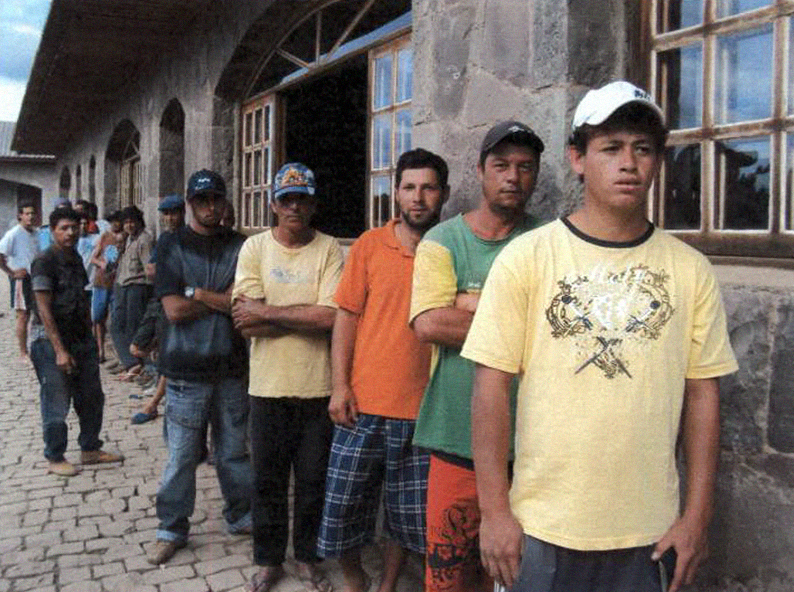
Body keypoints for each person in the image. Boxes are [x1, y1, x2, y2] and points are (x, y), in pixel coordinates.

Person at [462, 81, 739, 592]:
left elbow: (703, 396)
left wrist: (696, 517)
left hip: (648, 533)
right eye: (611, 148)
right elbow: (490, 388)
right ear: (577, 158)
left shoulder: (690, 270)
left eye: (643, 149)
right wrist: (495, 511)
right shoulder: (527, 258)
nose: (628, 164)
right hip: (540, 527)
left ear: (658, 161)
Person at [409, 121, 544, 592]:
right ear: (482, 171)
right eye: (501, 165)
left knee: (511, 577)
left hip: (530, 448)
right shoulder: (443, 241)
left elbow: (555, 327)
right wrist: (518, 316)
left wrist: (468, 302)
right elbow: (429, 324)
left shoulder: (548, 241)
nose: (513, 176)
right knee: (447, 574)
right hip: (455, 437)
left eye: (525, 167)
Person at [317, 149, 449, 592]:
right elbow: (346, 317)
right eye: (409, 187)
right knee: (343, 507)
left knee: (406, 517)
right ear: (395, 192)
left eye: (428, 188)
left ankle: (388, 584)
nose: (418, 197)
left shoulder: (449, 248)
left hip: (423, 413)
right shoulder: (370, 245)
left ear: (444, 194)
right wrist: (340, 386)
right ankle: (355, 580)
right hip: (363, 405)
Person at [233, 162, 343, 592]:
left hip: (318, 388)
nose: (294, 207)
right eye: (286, 199)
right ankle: (268, 561)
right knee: (268, 482)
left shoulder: (329, 248)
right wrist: (305, 317)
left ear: (313, 204)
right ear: (274, 205)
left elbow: (331, 318)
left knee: (314, 482)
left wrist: (267, 311)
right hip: (268, 388)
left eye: (302, 199)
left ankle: (308, 558)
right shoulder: (254, 249)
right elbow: (245, 324)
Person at [147, 170, 252, 565]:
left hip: (231, 369)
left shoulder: (241, 246)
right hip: (185, 373)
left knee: (234, 453)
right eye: (201, 200)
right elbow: (173, 310)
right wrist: (219, 299)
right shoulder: (171, 244)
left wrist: (196, 292)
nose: (210, 207)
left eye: (215, 199)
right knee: (181, 457)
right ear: (190, 203)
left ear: (225, 201)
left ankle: (241, 516)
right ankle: (171, 528)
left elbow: (243, 303)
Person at [28, 207, 124, 476]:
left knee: (92, 397)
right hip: (50, 342)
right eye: (64, 228)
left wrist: (91, 341)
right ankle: (55, 455)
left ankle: (90, 448)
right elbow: (44, 310)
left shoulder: (74, 258)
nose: (70, 232)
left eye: (74, 227)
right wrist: (59, 350)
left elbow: (81, 299)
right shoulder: (44, 261)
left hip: (80, 339)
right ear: (53, 231)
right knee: (56, 399)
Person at [110, 205, 153, 377]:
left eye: (132, 222)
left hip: (137, 287)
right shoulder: (128, 239)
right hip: (123, 285)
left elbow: (149, 268)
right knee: (116, 326)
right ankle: (129, 361)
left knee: (133, 327)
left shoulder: (144, 240)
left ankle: (138, 364)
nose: (129, 225)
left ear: (139, 222)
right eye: (126, 222)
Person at [0, 200, 40, 359]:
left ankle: (38, 347)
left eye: (32, 213)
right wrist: (11, 272)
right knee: (23, 315)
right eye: (27, 213)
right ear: (20, 216)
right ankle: (23, 352)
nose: (30, 216)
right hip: (21, 280)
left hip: (36, 277)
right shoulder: (13, 234)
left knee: (40, 313)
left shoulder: (37, 233)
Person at [90, 211, 126, 363]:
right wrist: (101, 263)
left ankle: (119, 353)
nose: (115, 224)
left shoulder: (126, 237)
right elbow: (93, 258)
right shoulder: (104, 237)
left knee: (117, 318)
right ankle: (100, 350)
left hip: (118, 282)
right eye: (112, 222)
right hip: (102, 282)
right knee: (98, 317)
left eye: (118, 221)